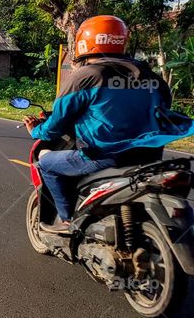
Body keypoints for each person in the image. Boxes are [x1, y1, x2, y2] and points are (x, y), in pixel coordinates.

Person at [23, 15, 190, 233]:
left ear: (84, 42)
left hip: (105, 156)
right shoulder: (151, 76)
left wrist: (36, 130)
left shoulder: (86, 75)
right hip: (150, 157)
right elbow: (163, 110)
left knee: (45, 164)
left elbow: (56, 124)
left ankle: (67, 222)